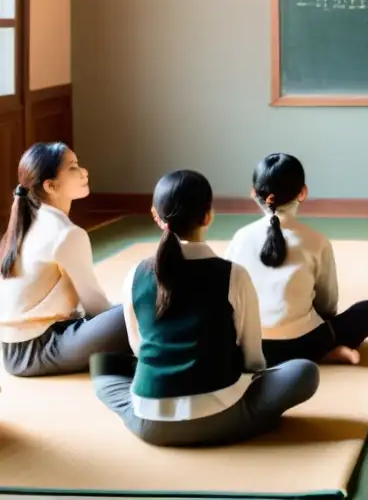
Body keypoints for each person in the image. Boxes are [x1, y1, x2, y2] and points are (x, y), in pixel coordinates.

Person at [90, 169, 320, 447]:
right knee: (304, 372)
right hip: (221, 414)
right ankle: (250, 420)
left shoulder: (134, 274)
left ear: (155, 215)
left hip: (149, 424)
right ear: (209, 215)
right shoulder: (233, 274)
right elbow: (252, 359)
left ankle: (149, 412)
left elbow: (139, 348)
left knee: (102, 366)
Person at [224, 153, 368, 367]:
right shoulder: (317, 242)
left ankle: (301, 355)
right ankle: (322, 352)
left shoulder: (240, 238)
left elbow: (225, 296)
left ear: (254, 193)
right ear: (303, 193)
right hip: (304, 344)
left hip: (245, 349)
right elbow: (328, 305)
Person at [0, 142, 130, 376]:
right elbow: (96, 307)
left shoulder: (31, 220)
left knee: (132, 309)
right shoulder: (66, 234)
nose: (84, 172)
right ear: (50, 185)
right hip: (39, 350)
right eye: (73, 168)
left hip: (18, 349)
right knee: (138, 306)